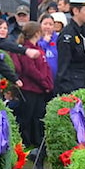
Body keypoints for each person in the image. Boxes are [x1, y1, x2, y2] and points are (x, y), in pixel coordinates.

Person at [11, 21, 54, 149]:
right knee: (26, 117)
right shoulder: (27, 49)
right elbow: (30, 70)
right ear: (37, 33)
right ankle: (25, 142)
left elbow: (45, 67)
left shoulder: (38, 48)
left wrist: (47, 82)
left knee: (38, 116)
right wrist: (44, 82)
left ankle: (37, 141)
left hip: (40, 89)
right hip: (30, 88)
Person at [54, 0, 85, 94]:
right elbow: (64, 65)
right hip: (71, 85)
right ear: (76, 11)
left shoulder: (83, 32)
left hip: (82, 83)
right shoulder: (68, 34)